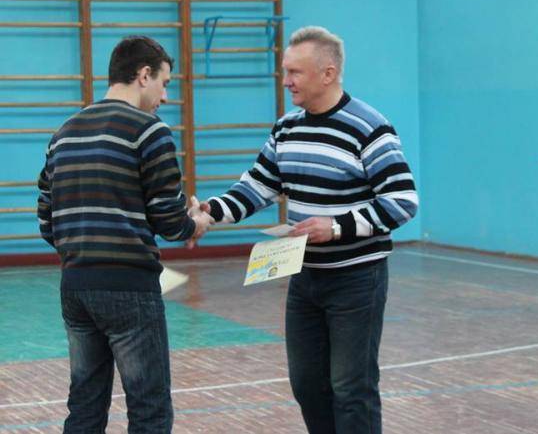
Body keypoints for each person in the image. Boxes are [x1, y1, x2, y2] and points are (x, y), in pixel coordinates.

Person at [204, 25, 418, 433]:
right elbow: (257, 187)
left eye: (295, 72)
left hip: (357, 280)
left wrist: (335, 228)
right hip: (304, 278)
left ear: (328, 73)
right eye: (286, 71)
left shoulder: (370, 128)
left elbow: (402, 201)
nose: (286, 81)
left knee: (351, 388)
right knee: (307, 384)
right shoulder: (287, 128)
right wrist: (210, 212)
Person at [36, 35, 213, 433]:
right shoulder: (150, 131)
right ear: (143, 74)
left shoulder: (64, 132)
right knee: (149, 408)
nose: (165, 96)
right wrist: (196, 223)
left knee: (84, 405)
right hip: (130, 287)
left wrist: (81, 251)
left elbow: (47, 217)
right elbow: (170, 221)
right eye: (164, 83)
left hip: (75, 285)